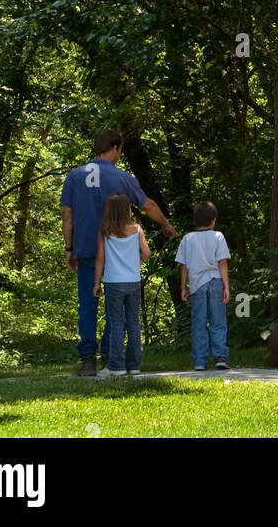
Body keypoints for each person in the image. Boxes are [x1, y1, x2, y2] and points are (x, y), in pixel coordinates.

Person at [60, 130, 177, 376]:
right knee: (115, 308)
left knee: (88, 305)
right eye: (119, 150)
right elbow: (148, 206)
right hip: (115, 252)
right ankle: (110, 355)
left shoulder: (74, 177)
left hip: (85, 248)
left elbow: (67, 216)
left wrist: (69, 248)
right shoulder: (123, 177)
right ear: (114, 149)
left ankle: (87, 360)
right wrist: (166, 225)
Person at [92, 194, 152, 377]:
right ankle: (134, 365)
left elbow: (100, 259)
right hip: (133, 281)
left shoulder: (105, 231)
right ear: (127, 210)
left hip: (113, 282)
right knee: (133, 322)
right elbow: (147, 252)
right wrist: (138, 261)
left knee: (117, 323)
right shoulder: (137, 229)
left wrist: (97, 282)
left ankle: (116, 366)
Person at [176, 201, 231, 371]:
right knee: (218, 321)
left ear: (195, 220)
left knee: (199, 323)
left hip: (196, 285)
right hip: (215, 282)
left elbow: (183, 265)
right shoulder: (218, 236)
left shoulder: (187, 238)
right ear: (213, 220)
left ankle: (199, 361)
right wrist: (226, 287)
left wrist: (183, 287)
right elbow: (222, 262)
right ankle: (221, 356)